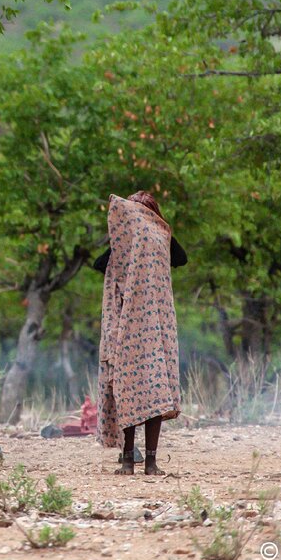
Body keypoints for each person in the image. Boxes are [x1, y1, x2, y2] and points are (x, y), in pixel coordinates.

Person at [94, 190, 187, 475]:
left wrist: (154, 228)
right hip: (130, 332)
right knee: (130, 391)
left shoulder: (161, 242)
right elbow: (100, 265)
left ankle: (149, 461)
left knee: (151, 394)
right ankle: (130, 459)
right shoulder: (123, 250)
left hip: (154, 332)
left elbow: (181, 258)